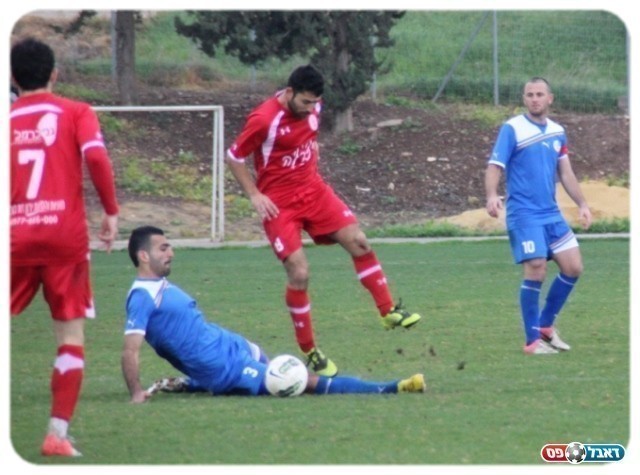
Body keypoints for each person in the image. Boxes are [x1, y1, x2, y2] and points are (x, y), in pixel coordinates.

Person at [226, 64, 421, 377]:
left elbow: (307, 136)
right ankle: (310, 351)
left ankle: (388, 312)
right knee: (299, 272)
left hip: (314, 191)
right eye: (305, 102)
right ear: (289, 92)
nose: (310, 108)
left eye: (314, 103)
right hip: (280, 204)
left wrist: (308, 156)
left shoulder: (313, 107)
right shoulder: (264, 119)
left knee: (359, 241)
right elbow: (234, 156)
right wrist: (255, 195)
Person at [121, 226, 426, 402]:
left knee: (276, 371)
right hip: (222, 368)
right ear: (144, 256)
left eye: (170, 247)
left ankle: (193, 384)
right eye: (163, 248)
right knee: (303, 382)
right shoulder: (142, 297)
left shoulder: (158, 285)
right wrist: (135, 392)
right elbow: (130, 349)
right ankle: (392, 387)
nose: (171, 253)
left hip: (230, 344)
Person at [10, 38, 120, 457]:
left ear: (13, 79)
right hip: (64, 238)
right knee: (70, 336)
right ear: (54, 74)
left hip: (14, 237)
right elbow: (97, 159)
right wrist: (110, 211)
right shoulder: (76, 112)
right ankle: (56, 433)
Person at [485, 76, 592, 355]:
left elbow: (565, 172)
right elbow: (495, 165)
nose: (534, 99)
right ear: (524, 99)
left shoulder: (557, 131)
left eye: (539, 94)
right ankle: (532, 341)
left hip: (551, 213)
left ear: (550, 98)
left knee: (573, 267)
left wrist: (582, 203)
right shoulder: (512, 128)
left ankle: (545, 326)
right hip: (524, 213)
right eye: (530, 94)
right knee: (536, 268)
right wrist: (491, 195)